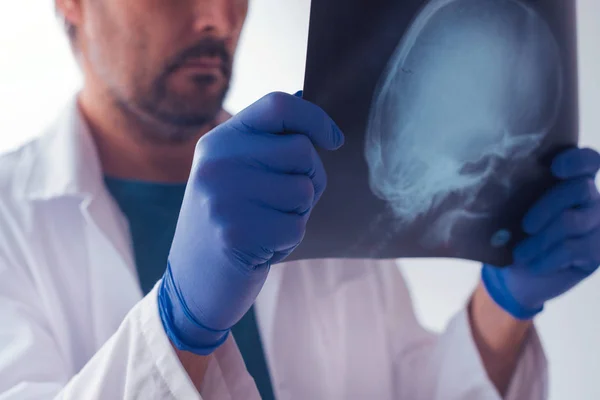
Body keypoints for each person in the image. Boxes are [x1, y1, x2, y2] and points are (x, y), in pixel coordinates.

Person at [0, 0, 598, 399]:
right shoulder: (10, 222)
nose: (217, 15)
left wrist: (503, 306)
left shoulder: (314, 184)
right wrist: (178, 327)